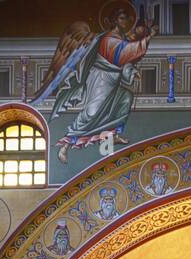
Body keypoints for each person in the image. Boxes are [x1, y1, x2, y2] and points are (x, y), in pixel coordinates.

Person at [37, 5, 155, 164]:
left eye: (127, 18)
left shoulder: (122, 39)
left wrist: (131, 71)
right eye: (122, 18)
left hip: (114, 78)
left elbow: (124, 61)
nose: (125, 21)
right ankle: (65, 145)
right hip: (101, 78)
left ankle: (114, 134)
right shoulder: (108, 39)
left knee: (126, 98)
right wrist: (147, 38)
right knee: (91, 114)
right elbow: (124, 53)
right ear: (114, 20)